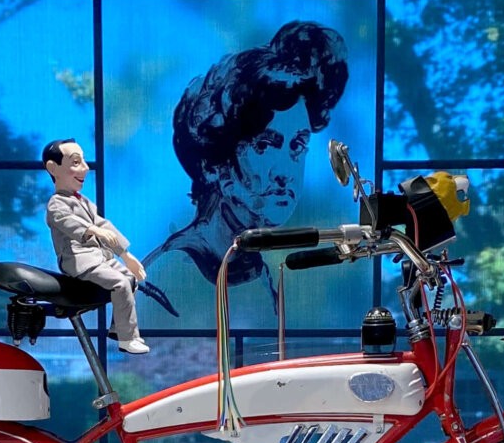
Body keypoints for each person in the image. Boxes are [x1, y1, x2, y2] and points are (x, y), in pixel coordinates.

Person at [138, 21, 350, 325]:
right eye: (265, 144)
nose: (285, 172)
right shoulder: (165, 281)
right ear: (215, 164)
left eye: (298, 145)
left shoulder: (260, 274)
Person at [42, 138, 148, 354]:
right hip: (79, 260)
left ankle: (119, 329)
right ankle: (128, 339)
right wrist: (92, 230)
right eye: (75, 162)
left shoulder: (84, 202)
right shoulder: (56, 204)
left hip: (100, 257)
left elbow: (104, 224)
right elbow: (67, 222)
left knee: (130, 278)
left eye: (83, 162)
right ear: (53, 168)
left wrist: (125, 255)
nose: (85, 168)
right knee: (119, 283)